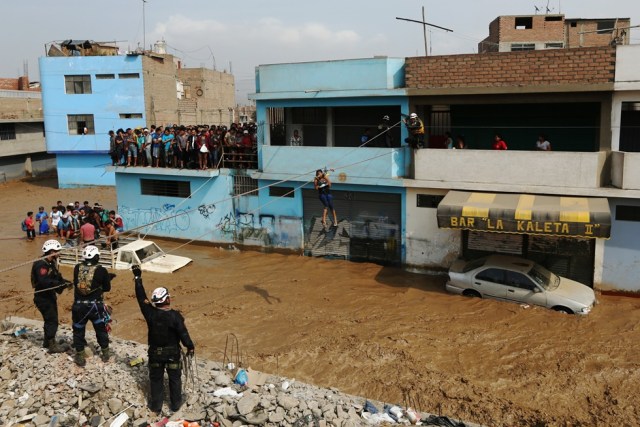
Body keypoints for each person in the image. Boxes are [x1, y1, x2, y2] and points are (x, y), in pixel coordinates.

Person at [132, 265, 195, 413]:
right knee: (174, 379)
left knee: (156, 380)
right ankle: (176, 405)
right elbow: (183, 333)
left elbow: (141, 298)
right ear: (167, 299)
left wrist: (137, 278)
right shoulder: (175, 316)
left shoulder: (150, 313)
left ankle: (156, 406)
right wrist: (190, 346)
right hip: (172, 354)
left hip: (155, 354)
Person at [71, 245, 112, 367]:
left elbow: (76, 282)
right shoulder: (102, 270)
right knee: (100, 329)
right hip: (95, 306)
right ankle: (105, 353)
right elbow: (107, 288)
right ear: (96, 256)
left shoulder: (77, 267)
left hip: (78, 306)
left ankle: (79, 355)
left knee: (78, 330)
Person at [31, 239, 71, 353]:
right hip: (43, 297)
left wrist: (66, 282)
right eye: (58, 251)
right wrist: (59, 284)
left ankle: (47, 342)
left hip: (48, 296)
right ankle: (52, 346)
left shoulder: (50, 263)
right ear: (52, 251)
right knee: (52, 320)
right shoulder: (41, 265)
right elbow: (43, 281)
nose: (59, 253)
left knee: (50, 319)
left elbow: (56, 277)